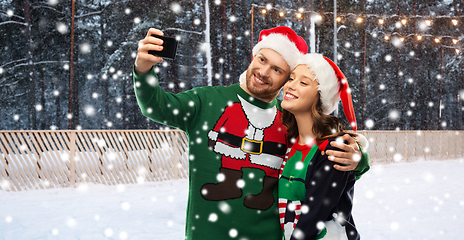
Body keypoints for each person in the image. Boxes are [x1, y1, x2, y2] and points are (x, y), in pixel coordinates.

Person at [133, 26, 369, 239]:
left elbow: (322, 153)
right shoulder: (206, 101)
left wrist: (358, 157)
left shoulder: (289, 119)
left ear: (285, 80)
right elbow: (156, 106)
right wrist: (143, 71)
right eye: (262, 59)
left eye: (277, 69)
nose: (264, 72)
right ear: (253, 56)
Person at [278, 53, 366, 240]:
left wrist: (360, 156)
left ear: (320, 96)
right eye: (291, 78)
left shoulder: (334, 148)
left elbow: (313, 218)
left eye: (304, 83)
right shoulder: (289, 142)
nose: (290, 85)